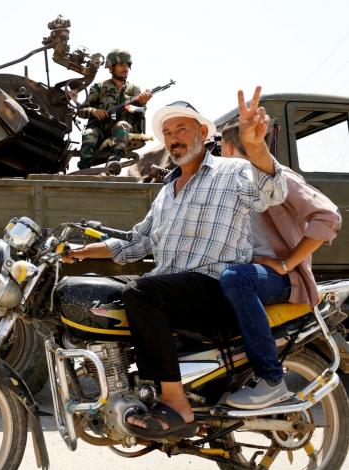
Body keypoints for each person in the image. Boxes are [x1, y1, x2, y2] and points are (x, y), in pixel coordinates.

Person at [63, 87, 287, 438]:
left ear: (202, 133)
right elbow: (137, 242)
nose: (173, 139)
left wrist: (257, 146)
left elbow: (273, 194)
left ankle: (176, 404)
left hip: (215, 289)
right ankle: (137, 390)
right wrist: (80, 252)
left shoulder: (231, 172)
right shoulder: (167, 191)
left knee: (142, 292)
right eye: (167, 133)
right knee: (108, 299)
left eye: (181, 129)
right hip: (175, 291)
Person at [218, 122, 341, 408]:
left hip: (281, 279)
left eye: (220, 150)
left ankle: (271, 380)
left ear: (229, 147)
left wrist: (286, 264)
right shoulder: (232, 184)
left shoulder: (277, 177)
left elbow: (329, 217)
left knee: (236, 278)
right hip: (247, 276)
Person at [77, 49, 153, 169]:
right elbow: (82, 110)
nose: (125, 68)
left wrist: (143, 104)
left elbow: (139, 114)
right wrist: (94, 111)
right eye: (121, 65)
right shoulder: (99, 87)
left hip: (123, 134)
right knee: (89, 133)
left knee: (122, 124)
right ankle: (84, 167)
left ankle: (113, 162)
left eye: (127, 65)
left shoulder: (134, 90)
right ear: (111, 67)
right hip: (100, 132)